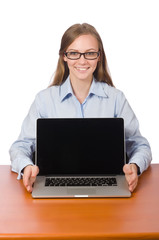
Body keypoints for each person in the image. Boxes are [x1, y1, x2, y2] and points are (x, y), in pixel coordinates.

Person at [9, 23, 152, 193]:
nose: (82, 61)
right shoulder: (44, 100)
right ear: (64, 56)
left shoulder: (116, 99)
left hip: (107, 185)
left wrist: (134, 166)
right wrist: (26, 167)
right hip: (55, 184)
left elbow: (140, 145)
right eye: (74, 53)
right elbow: (20, 146)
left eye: (90, 53)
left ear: (99, 57)